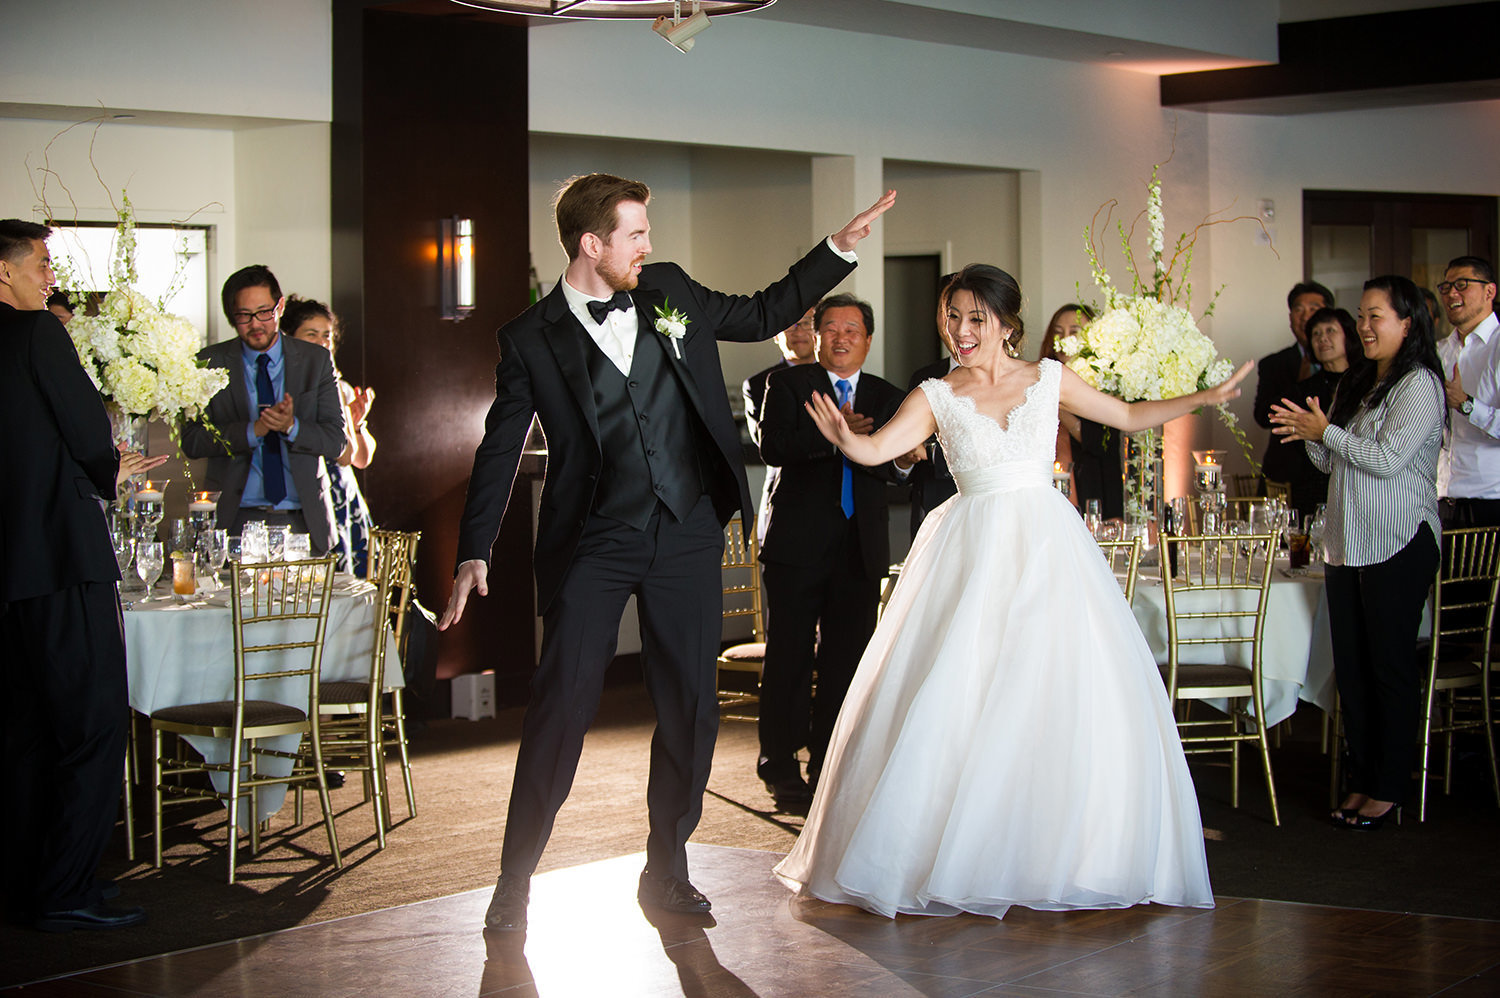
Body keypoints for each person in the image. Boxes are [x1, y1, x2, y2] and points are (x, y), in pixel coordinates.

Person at [438, 172, 896, 932]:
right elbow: (498, 448)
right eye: (636, 234)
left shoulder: (668, 288)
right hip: (597, 538)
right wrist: (473, 551)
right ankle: (514, 879)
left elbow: (760, 314)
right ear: (593, 244)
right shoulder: (528, 338)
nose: (650, 245)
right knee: (561, 704)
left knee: (690, 706)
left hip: (686, 530)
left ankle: (667, 865)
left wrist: (838, 249)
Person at [774, 263, 1245, 919]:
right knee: (960, 690)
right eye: (952, 317)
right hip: (968, 548)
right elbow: (882, 451)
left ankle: (1051, 853)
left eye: (974, 319)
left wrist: (1208, 396)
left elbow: (1130, 415)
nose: (961, 331)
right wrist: (846, 439)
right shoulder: (937, 392)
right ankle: (947, 853)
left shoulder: (1047, 379)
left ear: (1006, 324)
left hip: (1048, 547)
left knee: (1050, 691)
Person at [0, 219, 146, 931]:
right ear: (5, 272)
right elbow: (90, 434)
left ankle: (34, 880)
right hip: (62, 552)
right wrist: (106, 471)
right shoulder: (36, 335)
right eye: (42, 263)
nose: (50, 276)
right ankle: (66, 889)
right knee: (92, 723)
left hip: (10, 572)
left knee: (26, 728)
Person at [1270, 275, 1445, 830]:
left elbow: (1389, 459)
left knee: (1389, 667)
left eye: (1375, 317)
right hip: (1347, 545)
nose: (1362, 328)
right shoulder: (1368, 383)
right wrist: (1313, 436)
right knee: (1352, 669)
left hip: (1397, 541)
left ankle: (1390, 786)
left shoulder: (1419, 384)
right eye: (1362, 317)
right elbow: (1338, 463)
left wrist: (1329, 433)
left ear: (1407, 323)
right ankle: (1364, 779)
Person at [755, 293, 912, 810]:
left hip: (859, 548)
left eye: (852, 329)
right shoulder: (789, 384)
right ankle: (780, 765)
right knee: (789, 658)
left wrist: (906, 461)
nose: (841, 337)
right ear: (817, 337)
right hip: (796, 547)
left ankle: (829, 761)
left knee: (846, 661)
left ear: (868, 339)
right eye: (831, 328)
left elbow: (894, 469)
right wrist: (838, 438)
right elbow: (774, 447)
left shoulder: (889, 396)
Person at [181, 266, 347, 555]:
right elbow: (192, 442)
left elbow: (336, 440)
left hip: (303, 520)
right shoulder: (207, 362)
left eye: (264, 312)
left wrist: (291, 426)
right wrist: (251, 431)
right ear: (231, 317)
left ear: (279, 307)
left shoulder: (315, 360)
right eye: (244, 316)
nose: (256, 324)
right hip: (235, 520)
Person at [282, 296, 377, 576]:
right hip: (312, 489)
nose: (323, 343)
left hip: (344, 490)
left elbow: (360, 458)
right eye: (311, 335)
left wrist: (356, 422)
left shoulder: (341, 387)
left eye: (327, 336)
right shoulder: (288, 389)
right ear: (290, 338)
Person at [1434, 256, 1500, 529]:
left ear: (1489, 291)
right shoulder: (1439, 351)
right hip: (1441, 498)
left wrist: (1466, 405)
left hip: (1491, 499)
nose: (1451, 293)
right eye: (1446, 287)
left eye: (1462, 284)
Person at [1041, 303, 1124, 519]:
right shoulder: (1038, 375)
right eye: (1058, 333)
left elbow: (1098, 442)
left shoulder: (1107, 380)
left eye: (1074, 332)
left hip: (1093, 492)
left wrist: (1058, 404)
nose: (1064, 339)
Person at [743, 307, 816, 543]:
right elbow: (768, 443)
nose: (799, 331)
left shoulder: (838, 376)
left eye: (807, 323)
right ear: (776, 334)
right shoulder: (758, 384)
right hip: (783, 490)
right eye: (790, 323)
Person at [1282, 307, 1363, 518]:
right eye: (1316, 334)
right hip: (1311, 484)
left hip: (1357, 483)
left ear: (1348, 335)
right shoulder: (1303, 389)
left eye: (1330, 331)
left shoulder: (1366, 383)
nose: (1322, 339)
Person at [1254, 281, 1334, 491]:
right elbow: (1262, 416)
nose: (1306, 316)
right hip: (1284, 476)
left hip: (1331, 476)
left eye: (1314, 309)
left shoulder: (1350, 362)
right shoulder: (1273, 364)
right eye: (1298, 309)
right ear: (1290, 319)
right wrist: (1302, 384)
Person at [905, 272, 959, 539]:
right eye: (948, 312)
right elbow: (905, 446)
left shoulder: (1013, 380)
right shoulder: (923, 377)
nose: (956, 326)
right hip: (931, 513)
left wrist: (930, 453)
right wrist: (903, 459)